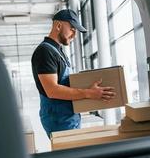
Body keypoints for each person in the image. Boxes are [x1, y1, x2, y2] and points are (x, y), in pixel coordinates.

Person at [31, 9, 116, 138]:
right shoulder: (45, 52)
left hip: (68, 116)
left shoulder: (58, 51)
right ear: (58, 26)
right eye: (72, 29)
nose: (74, 35)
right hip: (58, 120)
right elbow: (52, 90)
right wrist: (89, 93)